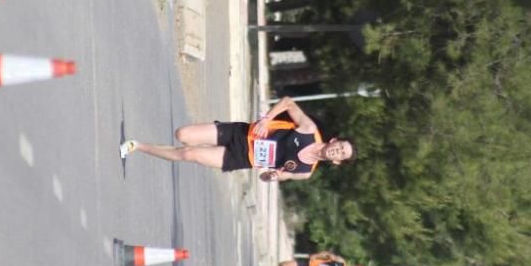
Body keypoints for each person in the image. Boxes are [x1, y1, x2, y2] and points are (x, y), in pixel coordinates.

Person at [118, 96, 355, 182]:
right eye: (341, 147)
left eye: (342, 155)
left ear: (337, 163)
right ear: (334, 140)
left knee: (188, 154)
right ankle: (207, 138)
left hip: (242, 157)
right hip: (243, 133)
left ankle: (137, 146)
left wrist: (272, 176)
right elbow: (288, 102)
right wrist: (266, 118)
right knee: (183, 135)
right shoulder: (309, 129)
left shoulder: (305, 171)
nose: (338, 152)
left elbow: (269, 176)